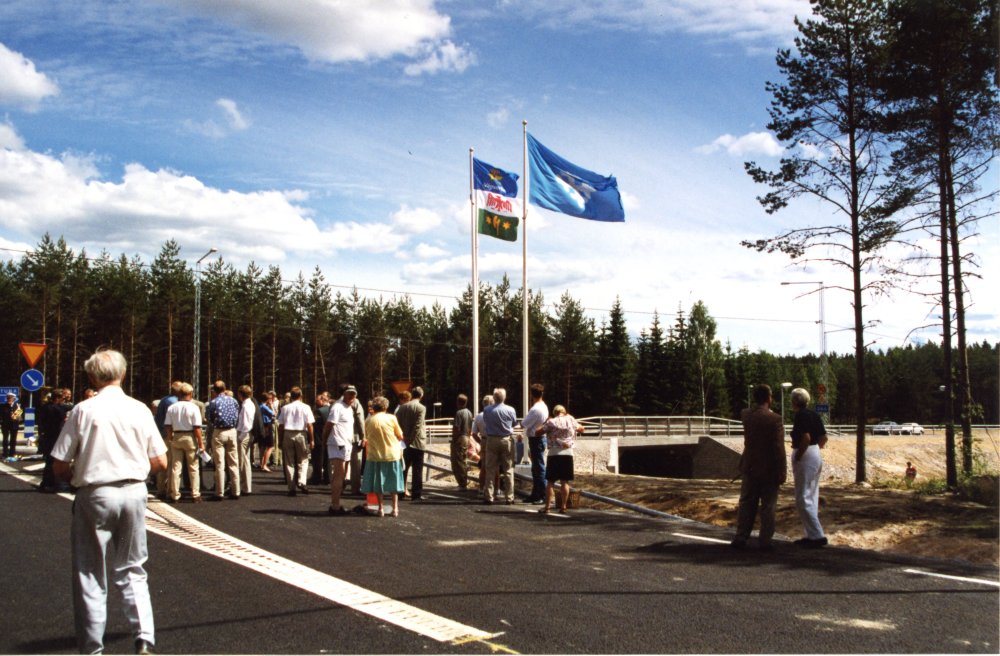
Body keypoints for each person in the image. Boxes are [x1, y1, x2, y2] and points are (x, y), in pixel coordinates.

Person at [50, 349, 167, 655]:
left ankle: (92, 648)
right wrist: (137, 473)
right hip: (134, 491)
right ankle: (144, 638)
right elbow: (160, 461)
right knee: (132, 567)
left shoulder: (83, 410)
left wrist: (80, 476)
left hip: (96, 493)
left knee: (90, 571)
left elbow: (59, 465)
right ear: (123, 374)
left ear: (91, 377)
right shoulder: (140, 409)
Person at [732, 384, 787, 551]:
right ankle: (764, 540)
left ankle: (741, 537)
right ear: (769, 398)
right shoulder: (775, 419)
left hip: (749, 465)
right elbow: (779, 447)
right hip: (769, 469)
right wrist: (782, 471)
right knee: (768, 506)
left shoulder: (745, 414)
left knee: (747, 502)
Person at [790, 388, 828, 548]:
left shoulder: (800, 416)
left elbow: (806, 437)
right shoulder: (814, 414)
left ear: (793, 402)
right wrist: (814, 449)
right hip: (815, 452)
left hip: (805, 453)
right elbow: (824, 438)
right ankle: (810, 534)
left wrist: (799, 455)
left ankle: (817, 535)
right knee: (812, 495)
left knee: (802, 497)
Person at [361, 396, 405, 517]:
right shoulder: (392, 418)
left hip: (375, 455)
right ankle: (395, 508)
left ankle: (381, 508)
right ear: (385, 406)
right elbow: (400, 435)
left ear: (373, 407)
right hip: (391, 454)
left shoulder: (368, 420)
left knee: (378, 483)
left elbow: (367, 435)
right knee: (393, 482)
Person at [536, 405, 585, 513]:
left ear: (554, 413)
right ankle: (563, 507)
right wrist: (573, 419)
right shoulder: (571, 420)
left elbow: (537, 432)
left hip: (554, 453)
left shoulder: (552, 422)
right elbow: (582, 429)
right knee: (565, 482)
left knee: (550, 482)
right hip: (568, 453)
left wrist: (546, 423)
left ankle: (547, 507)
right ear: (564, 412)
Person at [164, 382, 204, 503]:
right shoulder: (194, 407)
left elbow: (168, 425)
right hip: (190, 436)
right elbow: (197, 427)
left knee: (176, 467)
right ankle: (195, 494)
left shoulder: (172, 407)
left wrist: (170, 438)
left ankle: (175, 494)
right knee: (193, 467)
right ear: (190, 393)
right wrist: (201, 443)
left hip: (177, 436)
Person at [322, 387, 356, 514]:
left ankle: (335, 504)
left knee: (341, 475)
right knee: (338, 475)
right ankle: (334, 506)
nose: (352, 397)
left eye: (354, 395)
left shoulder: (349, 408)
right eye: (350, 394)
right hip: (338, 444)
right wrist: (324, 440)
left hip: (345, 444)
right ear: (343, 394)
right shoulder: (338, 406)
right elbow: (329, 424)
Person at [205, 380, 241, 500]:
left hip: (219, 432)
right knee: (233, 462)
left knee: (219, 463)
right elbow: (237, 416)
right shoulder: (233, 401)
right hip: (231, 431)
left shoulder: (213, 402)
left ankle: (219, 492)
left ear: (214, 391)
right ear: (225, 389)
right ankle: (236, 491)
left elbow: (209, 420)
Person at [482, 388, 517, 505]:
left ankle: (489, 496)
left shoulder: (487, 410)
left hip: (491, 439)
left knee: (490, 469)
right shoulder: (510, 410)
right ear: (504, 398)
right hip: (506, 439)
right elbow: (514, 423)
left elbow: (485, 421)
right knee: (508, 469)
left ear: (493, 398)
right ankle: (510, 497)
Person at [277, 386, 314, 496]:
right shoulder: (306, 407)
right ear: (301, 396)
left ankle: (291, 487)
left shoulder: (285, 408)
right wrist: (311, 439)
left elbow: (280, 425)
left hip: (288, 433)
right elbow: (310, 425)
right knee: (303, 459)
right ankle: (302, 481)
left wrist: (280, 440)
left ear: (291, 397)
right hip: (300, 434)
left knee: (289, 461)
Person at [152, 381, 182, 500]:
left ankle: (160, 489)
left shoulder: (164, 400)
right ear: (177, 390)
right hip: (170, 434)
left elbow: (158, 418)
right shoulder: (173, 402)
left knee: (166, 462)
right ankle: (169, 490)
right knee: (172, 463)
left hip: (163, 433)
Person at [396, 386, 427, 501]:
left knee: (403, 467)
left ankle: (400, 491)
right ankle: (416, 493)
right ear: (421, 395)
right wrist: (411, 437)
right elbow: (418, 425)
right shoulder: (421, 408)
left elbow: (397, 422)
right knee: (417, 469)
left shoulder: (402, 408)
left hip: (404, 442)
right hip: (417, 442)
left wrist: (403, 436)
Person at [520, 384, 549, 504]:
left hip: (535, 439)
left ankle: (543, 495)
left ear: (531, 395)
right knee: (536, 468)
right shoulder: (544, 406)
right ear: (542, 394)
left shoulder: (534, 409)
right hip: (541, 438)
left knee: (539, 468)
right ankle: (536, 493)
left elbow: (523, 424)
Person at [37, 389, 69, 492]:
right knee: (54, 460)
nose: (63, 401)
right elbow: (66, 421)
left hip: (46, 436)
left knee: (48, 460)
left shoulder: (44, 407)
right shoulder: (57, 409)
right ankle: (53, 484)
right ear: (57, 398)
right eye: (62, 399)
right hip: (55, 436)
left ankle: (45, 482)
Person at [236, 385, 256, 496]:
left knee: (243, 461)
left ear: (240, 394)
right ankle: (245, 486)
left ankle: (245, 487)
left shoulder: (246, 405)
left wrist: (240, 436)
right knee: (245, 460)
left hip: (244, 434)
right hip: (245, 433)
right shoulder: (248, 404)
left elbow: (246, 423)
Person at [451, 394, 473, 489]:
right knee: (463, 461)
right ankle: (464, 482)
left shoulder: (459, 413)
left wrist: (454, 440)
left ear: (457, 403)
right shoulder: (469, 412)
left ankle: (462, 484)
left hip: (460, 438)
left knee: (458, 462)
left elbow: (457, 428)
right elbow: (470, 427)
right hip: (467, 437)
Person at [310, 392, 331, 486]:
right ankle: (328, 478)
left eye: (317, 400)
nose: (315, 402)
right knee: (327, 459)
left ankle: (316, 478)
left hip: (319, 438)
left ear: (323, 400)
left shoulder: (319, 411)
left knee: (318, 459)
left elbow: (314, 424)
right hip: (329, 438)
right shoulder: (331, 409)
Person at [473, 395, 492, 498]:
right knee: (495, 466)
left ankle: (481, 489)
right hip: (492, 439)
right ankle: (496, 490)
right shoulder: (493, 414)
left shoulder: (478, 416)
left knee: (484, 466)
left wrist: (480, 442)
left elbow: (474, 433)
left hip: (484, 440)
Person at [257, 392, 275, 471]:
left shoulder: (259, 406)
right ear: (268, 399)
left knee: (262, 446)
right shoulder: (265, 407)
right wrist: (271, 405)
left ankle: (261, 463)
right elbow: (274, 414)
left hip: (261, 425)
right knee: (270, 446)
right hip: (267, 425)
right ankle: (265, 464)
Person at [1, 392, 20, 459]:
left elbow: (19, 416)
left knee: (13, 440)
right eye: (9, 398)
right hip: (6, 425)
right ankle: (5, 453)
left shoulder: (16, 406)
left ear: (13, 398)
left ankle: (12, 453)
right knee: (5, 440)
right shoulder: (3, 406)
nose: (10, 399)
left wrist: (17, 418)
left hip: (14, 425)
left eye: (11, 398)